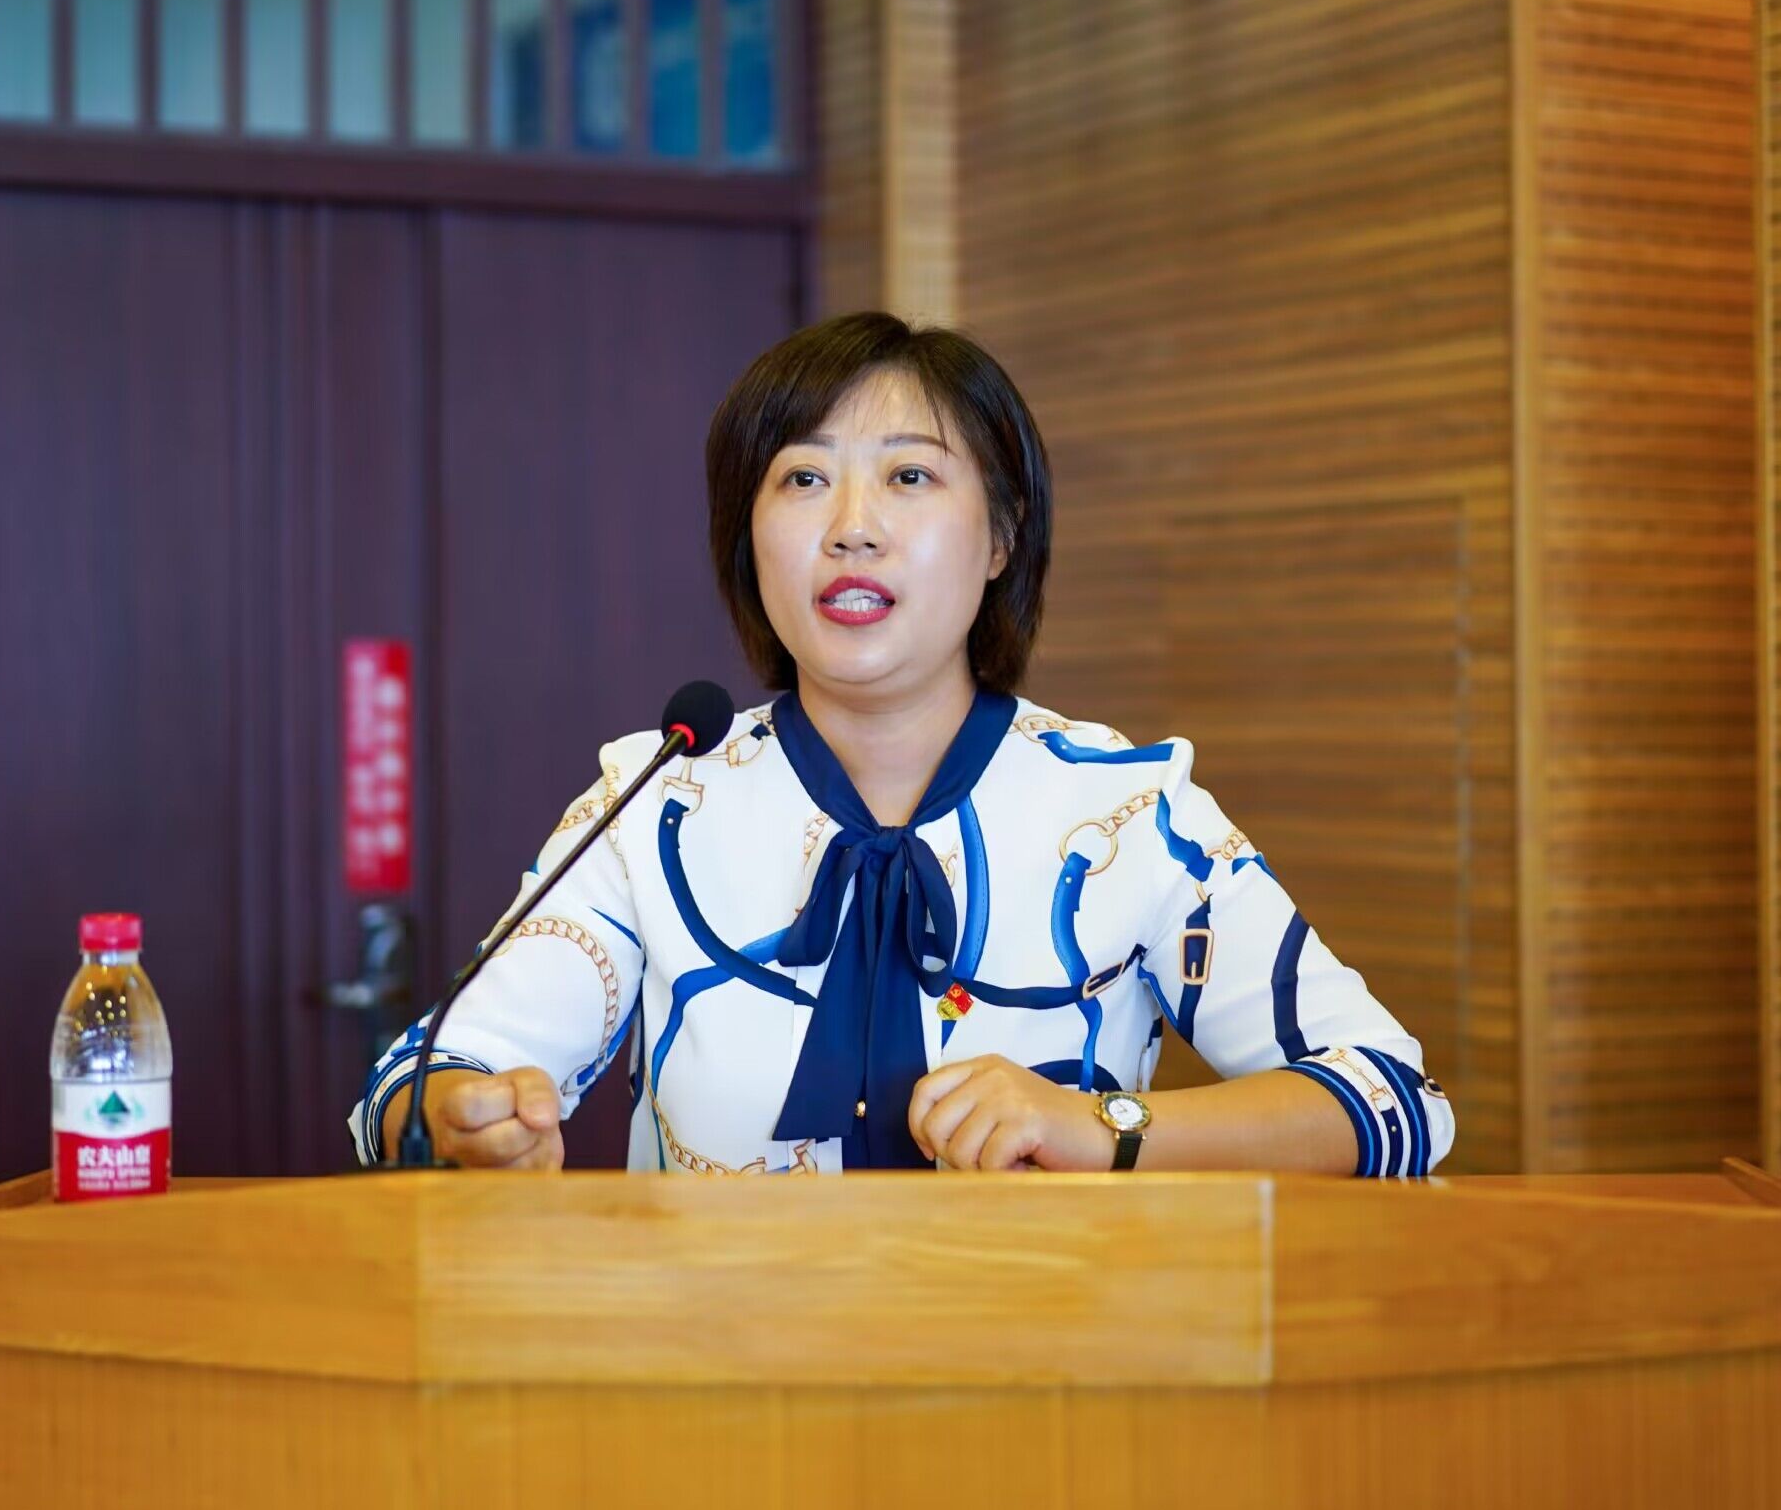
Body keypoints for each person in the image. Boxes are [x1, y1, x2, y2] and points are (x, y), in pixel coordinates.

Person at [350, 312, 1452, 1175]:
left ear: (1002, 536)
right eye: (803, 479)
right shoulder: (658, 803)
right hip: (721, 1375)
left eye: (910, 476)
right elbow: (412, 1089)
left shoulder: (1124, 812)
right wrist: (462, 1117)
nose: (851, 528)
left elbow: (1394, 1100)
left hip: (1054, 1378)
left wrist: (1102, 1126)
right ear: (748, 540)